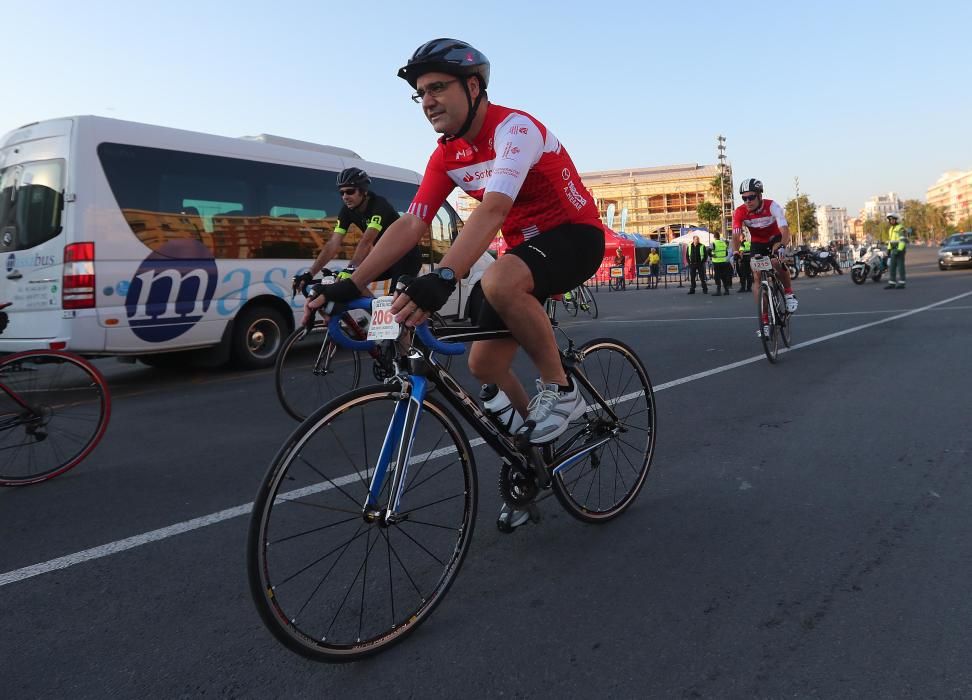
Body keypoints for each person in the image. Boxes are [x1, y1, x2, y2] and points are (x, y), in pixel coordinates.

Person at [302, 38, 605, 531]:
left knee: (502, 277)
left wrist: (445, 275)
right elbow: (411, 224)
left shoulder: (515, 128)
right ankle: (536, 457)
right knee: (483, 364)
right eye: (421, 93)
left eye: (438, 87)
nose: (428, 101)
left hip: (573, 235)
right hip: (523, 255)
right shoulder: (446, 156)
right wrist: (349, 282)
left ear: (473, 86)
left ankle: (561, 388)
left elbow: (494, 209)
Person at [292, 168, 422, 295]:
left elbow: (366, 241)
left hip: (406, 256)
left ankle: (392, 313)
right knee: (347, 282)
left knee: (393, 303)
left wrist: (351, 268)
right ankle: (375, 314)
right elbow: (332, 244)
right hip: (385, 256)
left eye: (350, 191)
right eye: (341, 193)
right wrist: (309, 274)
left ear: (363, 191)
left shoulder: (379, 205)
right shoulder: (347, 211)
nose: (345, 197)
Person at [731, 179, 798, 337]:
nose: (748, 201)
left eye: (751, 197)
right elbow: (735, 235)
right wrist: (735, 251)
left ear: (760, 195)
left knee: (775, 261)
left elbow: (784, 229)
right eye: (744, 198)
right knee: (757, 275)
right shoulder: (740, 212)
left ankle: (788, 293)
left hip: (775, 238)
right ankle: (765, 321)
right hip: (757, 243)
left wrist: (782, 245)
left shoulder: (772, 206)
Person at [885, 213, 907, 289]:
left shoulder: (900, 228)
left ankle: (902, 283)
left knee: (900, 266)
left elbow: (903, 240)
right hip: (893, 249)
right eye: (890, 220)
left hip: (900, 249)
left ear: (896, 220)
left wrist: (899, 250)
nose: (891, 221)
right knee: (892, 267)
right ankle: (892, 283)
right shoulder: (891, 229)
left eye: (893, 219)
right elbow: (891, 241)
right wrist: (888, 250)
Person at [710, 230, 732, 296]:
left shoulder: (713, 243)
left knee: (717, 276)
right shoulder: (723, 243)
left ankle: (718, 291)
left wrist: (712, 255)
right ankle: (726, 290)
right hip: (723, 261)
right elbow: (726, 253)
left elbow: (708, 251)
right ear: (719, 236)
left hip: (716, 262)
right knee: (724, 276)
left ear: (714, 237)